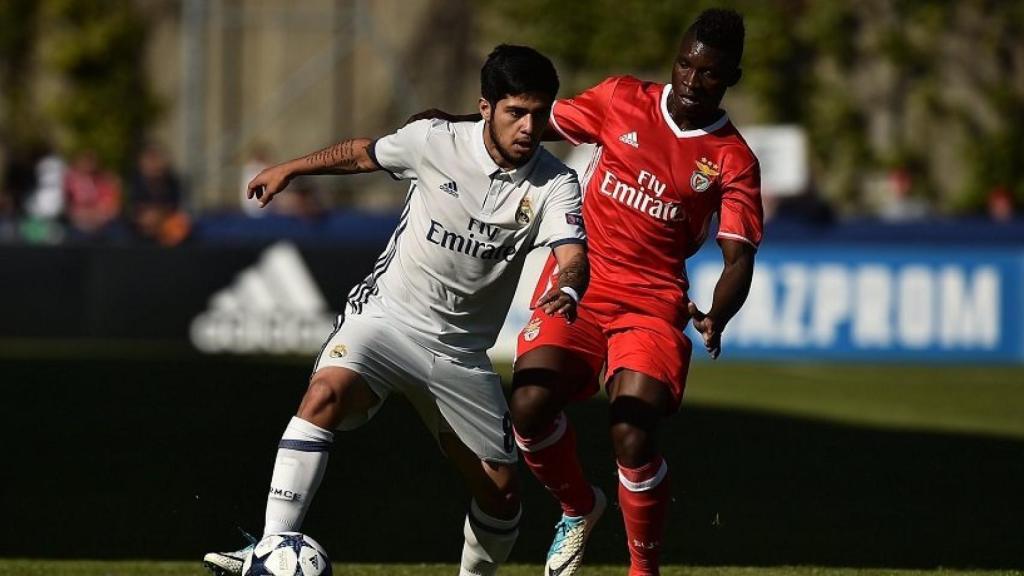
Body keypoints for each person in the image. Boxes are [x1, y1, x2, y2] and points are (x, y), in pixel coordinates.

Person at [203, 44, 589, 576]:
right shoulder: (434, 141)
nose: (528, 126)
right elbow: (363, 152)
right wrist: (290, 168)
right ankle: (270, 548)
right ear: (485, 107)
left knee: (500, 495)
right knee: (325, 393)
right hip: (387, 320)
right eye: (515, 112)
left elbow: (572, 255)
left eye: (539, 113)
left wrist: (568, 287)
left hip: (460, 352)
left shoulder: (555, 182)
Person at [415, 8, 762, 575]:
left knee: (631, 431)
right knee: (527, 406)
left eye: (710, 74)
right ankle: (578, 509)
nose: (693, 81)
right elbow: (532, 123)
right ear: (676, 60)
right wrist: (450, 124)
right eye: (685, 65)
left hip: (651, 304)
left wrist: (718, 314)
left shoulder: (732, 159)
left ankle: (641, 569)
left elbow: (738, 255)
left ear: (731, 79)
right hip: (580, 284)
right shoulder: (622, 98)